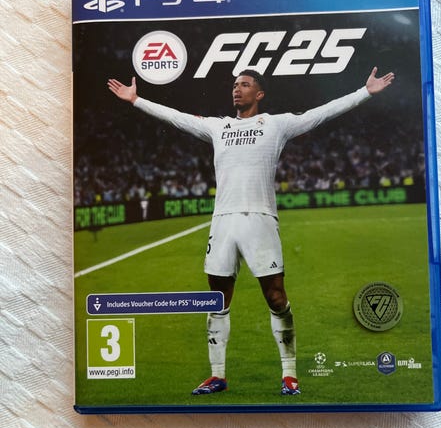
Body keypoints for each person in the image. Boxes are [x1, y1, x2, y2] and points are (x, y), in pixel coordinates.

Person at [107, 66, 394, 396]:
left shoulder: (275, 124)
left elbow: (320, 113)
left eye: (244, 84)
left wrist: (364, 92)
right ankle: (217, 376)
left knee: (276, 296)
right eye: (235, 84)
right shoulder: (219, 126)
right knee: (217, 299)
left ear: (259, 94)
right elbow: (178, 118)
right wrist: (137, 100)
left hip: (260, 219)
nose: (237, 89)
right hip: (223, 221)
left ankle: (289, 374)